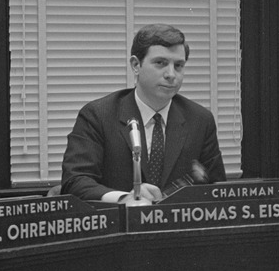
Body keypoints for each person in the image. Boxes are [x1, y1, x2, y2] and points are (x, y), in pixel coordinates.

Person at [61, 23, 226, 204]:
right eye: (160, 63)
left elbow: (217, 188)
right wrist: (124, 198)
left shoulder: (200, 120)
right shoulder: (98, 115)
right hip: (119, 223)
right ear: (136, 65)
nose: (171, 74)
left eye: (178, 65)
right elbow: (75, 181)